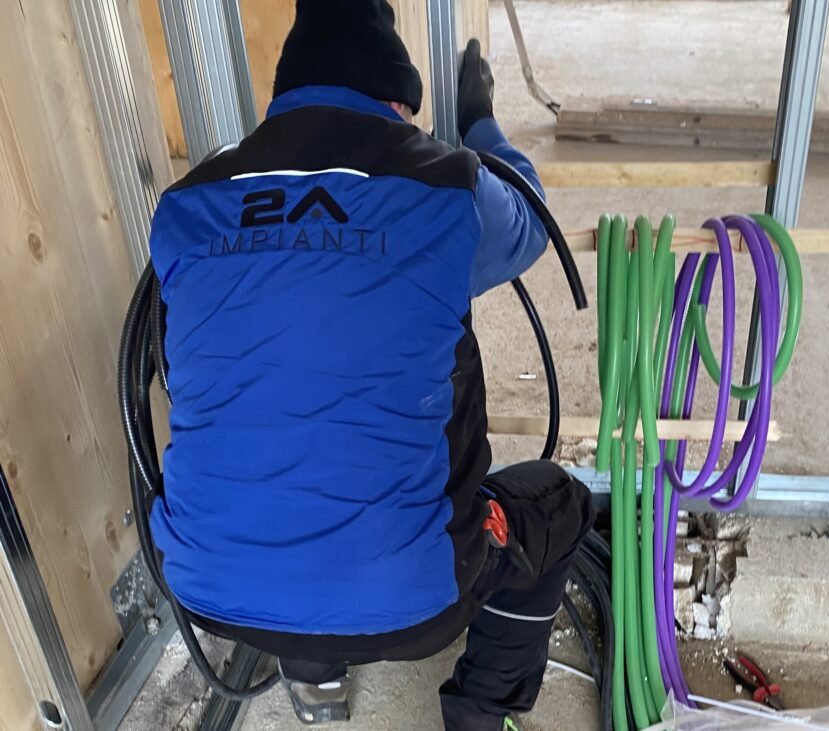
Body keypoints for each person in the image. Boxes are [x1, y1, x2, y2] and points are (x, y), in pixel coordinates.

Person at [146, 1, 594, 728]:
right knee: (559, 504)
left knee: (285, 435)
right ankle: (480, 714)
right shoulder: (449, 187)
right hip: (414, 604)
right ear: (397, 103)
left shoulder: (186, 204)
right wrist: (479, 122)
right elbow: (529, 219)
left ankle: (314, 685)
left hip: (207, 588)